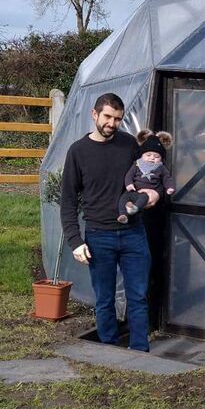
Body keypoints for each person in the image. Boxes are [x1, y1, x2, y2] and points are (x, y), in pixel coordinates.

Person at [58, 93, 158, 352]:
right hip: (98, 235)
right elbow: (68, 200)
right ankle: (108, 351)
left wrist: (153, 194)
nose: (112, 123)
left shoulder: (129, 146)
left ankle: (139, 351)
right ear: (95, 114)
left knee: (137, 297)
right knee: (104, 300)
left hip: (133, 234)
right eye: (107, 117)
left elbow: (147, 177)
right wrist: (75, 241)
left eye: (117, 119)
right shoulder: (78, 152)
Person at [118, 129, 176, 223]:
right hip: (133, 190)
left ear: (161, 158)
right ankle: (123, 214)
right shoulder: (137, 164)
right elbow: (129, 175)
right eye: (148, 155)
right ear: (142, 155)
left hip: (147, 193)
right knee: (123, 198)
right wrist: (129, 184)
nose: (152, 158)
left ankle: (134, 208)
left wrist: (170, 187)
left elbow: (167, 178)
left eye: (156, 157)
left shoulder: (161, 167)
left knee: (144, 198)